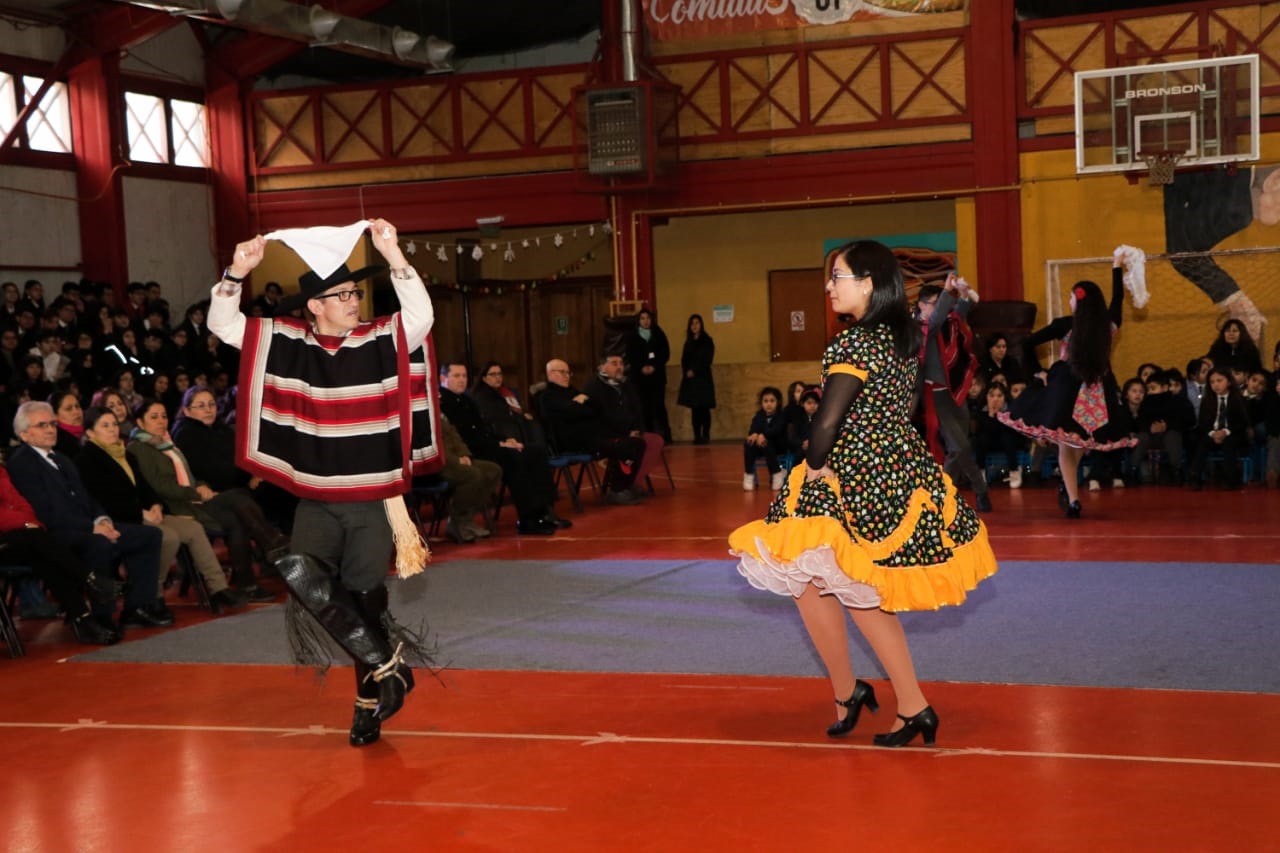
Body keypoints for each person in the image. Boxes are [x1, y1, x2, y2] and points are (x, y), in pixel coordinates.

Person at [729, 240, 998, 747]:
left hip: (849, 476)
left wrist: (808, 470)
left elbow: (826, 426)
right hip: (896, 468)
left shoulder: (853, 344)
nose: (830, 287)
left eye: (839, 277)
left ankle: (904, 703)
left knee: (848, 590)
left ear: (869, 283)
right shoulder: (902, 339)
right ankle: (858, 693)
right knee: (817, 583)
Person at [210, 218, 442, 748]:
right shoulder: (288, 341)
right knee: (302, 578)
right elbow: (224, 326)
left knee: (362, 602)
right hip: (316, 495)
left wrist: (394, 256)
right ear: (314, 305)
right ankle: (388, 663)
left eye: (355, 292)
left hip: (372, 499)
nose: (354, 301)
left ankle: (367, 704)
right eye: (341, 295)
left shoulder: (383, 338)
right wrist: (235, 274)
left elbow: (422, 315)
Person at [7, 400, 171, 630]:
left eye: (52, 424)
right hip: (56, 533)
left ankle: (136, 607)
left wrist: (102, 519)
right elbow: (44, 512)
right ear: (24, 434)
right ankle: (102, 616)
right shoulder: (23, 463)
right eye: (42, 425)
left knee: (149, 536)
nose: (50, 429)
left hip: (86, 526)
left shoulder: (61, 458)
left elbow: (88, 498)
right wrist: (91, 527)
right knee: (99, 544)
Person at [998, 253, 1137, 518]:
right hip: (1097, 393)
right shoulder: (1107, 326)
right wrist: (1116, 268)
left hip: (1067, 390)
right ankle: (1071, 495)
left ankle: (1072, 496)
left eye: (1072, 297)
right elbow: (1117, 299)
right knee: (1078, 445)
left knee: (1069, 446)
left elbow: (1026, 343)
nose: (1069, 301)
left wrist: (1037, 372)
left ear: (1079, 301)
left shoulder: (1066, 325)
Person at [76, 405, 248, 615]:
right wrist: (142, 513)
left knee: (193, 529)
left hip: (147, 512)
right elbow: (105, 499)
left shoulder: (124, 454)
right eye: (105, 426)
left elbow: (145, 488)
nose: (112, 429)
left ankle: (218, 588)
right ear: (90, 433)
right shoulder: (88, 459)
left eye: (114, 424)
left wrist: (156, 505)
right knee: (168, 536)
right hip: (119, 518)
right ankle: (153, 595)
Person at [126, 399, 278, 603]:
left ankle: (250, 581)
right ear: (140, 422)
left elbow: (189, 475)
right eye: (154, 417)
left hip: (194, 499)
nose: (161, 421)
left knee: (238, 510)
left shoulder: (165, 443)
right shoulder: (140, 449)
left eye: (163, 416)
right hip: (177, 507)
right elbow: (160, 487)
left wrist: (201, 485)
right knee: (237, 499)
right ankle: (272, 546)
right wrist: (196, 493)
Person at [0, 465, 122, 645]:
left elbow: (21, 503)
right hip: (11, 536)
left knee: (44, 554)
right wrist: (25, 524)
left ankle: (84, 616)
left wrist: (28, 522)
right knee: (39, 541)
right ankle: (91, 583)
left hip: (17, 537)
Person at [440, 360, 562, 534]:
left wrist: (506, 439)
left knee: (534, 451)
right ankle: (527, 518)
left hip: (487, 444)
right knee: (513, 457)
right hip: (471, 451)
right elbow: (464, 437)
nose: (461, 380)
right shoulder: (443, 402)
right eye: (456, 376)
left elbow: (484, 429)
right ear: (443, 378)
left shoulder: (467, 399)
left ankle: (546, 510)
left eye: (464, 376)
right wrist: (500, 444)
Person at [171, 386, 298, 534]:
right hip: (216, 490)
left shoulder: (221, 428)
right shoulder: (185, 434)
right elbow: (207, 470)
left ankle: (293, 539)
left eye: (211, 404)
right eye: (201, 406)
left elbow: (243, 454)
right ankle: (278, 541)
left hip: (240, 481)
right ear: (187, 411)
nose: (208, 410)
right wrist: (246, 478)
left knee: (282, 484)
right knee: (264, 496)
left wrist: (255, 473)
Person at [915, 276, 989, 512]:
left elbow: (958, 314)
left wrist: (964, 295)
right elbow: (937, 320)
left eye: (941, 302)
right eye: (935, 303)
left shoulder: (946, 322)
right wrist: (949, 291)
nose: (940, 308)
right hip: (934, 395)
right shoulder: (918, 328)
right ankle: (946, 495)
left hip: (955, 391)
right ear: (921, 305)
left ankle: (974, 491)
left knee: (962, 445)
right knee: (959, 447)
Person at [541, 358, 647, 505]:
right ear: (551, 374)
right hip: (573, 441)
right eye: (562, 372)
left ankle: (625, 485)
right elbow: (571, 413)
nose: (567, 376)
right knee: (625, 446)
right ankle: (617, 489)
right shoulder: (548, 396)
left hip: (593, 435)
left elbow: (596, 409)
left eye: (568, 372)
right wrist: (578, 404)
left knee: (638, 443)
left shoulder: (573, 391)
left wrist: (580, 405)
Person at [582, 352, 665, 498]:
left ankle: (632, 482)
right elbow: (604, 417)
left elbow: (637, 409)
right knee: (633, 445)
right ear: (602, 366)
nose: (619, 367)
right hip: (607, 435)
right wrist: (627, 432)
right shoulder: (594, 387)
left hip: (630, 431)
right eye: (614, 363)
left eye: (621, 363)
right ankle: (620, 487)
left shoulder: (626, 384)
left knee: (655, 441)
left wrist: (637, 429)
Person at [1187, 368, 1250, 490]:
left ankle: (1230, 478)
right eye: (1212, 382)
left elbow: (1241, 422)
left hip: (1232, 433)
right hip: (1212, 433)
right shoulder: (1207, 400)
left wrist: (1225, 432)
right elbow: (1203, 423)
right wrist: (1213, 433)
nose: (1215, 384)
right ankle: (1195, 476)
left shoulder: (1238, 399)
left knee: (1229, 442)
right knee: (1202, 443)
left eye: (1219, 381)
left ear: (1229, 382)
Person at [624, 308, 673, 443]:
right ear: (638, 321)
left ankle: (666, 436)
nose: (645, 321)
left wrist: (654, 366)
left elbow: (665, 353)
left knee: (659, 406)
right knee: (644, 407)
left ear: (652, 320)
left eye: (648, 318)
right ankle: (649, 436)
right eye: (642, 318)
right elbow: (630, 356)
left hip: (657, 377)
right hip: (640, 379)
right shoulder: (632, 336)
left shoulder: (659, 333)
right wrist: (641, 367)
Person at [676, 313, 716, 444]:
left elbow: (707, 359)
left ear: (701, 325)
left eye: (697, 323)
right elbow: (684, 360)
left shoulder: (707, 341)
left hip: (703, 379)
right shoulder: (688, 342)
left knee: (704, 408)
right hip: (691, 380)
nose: (694, 326)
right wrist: (687, 371)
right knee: (695, 409)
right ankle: (697, 436)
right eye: (692, 323)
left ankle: (706, 435)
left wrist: (695, 370)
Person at [742, 386, 788, 491]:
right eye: (765, 401)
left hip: (778, 446)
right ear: (761, 403)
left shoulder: (781, 415)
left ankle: (776, 473)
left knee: (766, 442)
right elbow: (754, 428)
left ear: (778, 402)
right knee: (749, 443)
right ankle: (749, 474)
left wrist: (763, 435)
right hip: (761, 446)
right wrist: (754, 434)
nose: (769, 404)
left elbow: (777, 430)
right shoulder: (759, 415)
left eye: (772, 401)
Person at [50, 389, 85, 459]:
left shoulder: (91, 432)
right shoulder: (57, 443)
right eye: (68, 409)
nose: (76, 412)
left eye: (77, 406)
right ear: (55, 415)